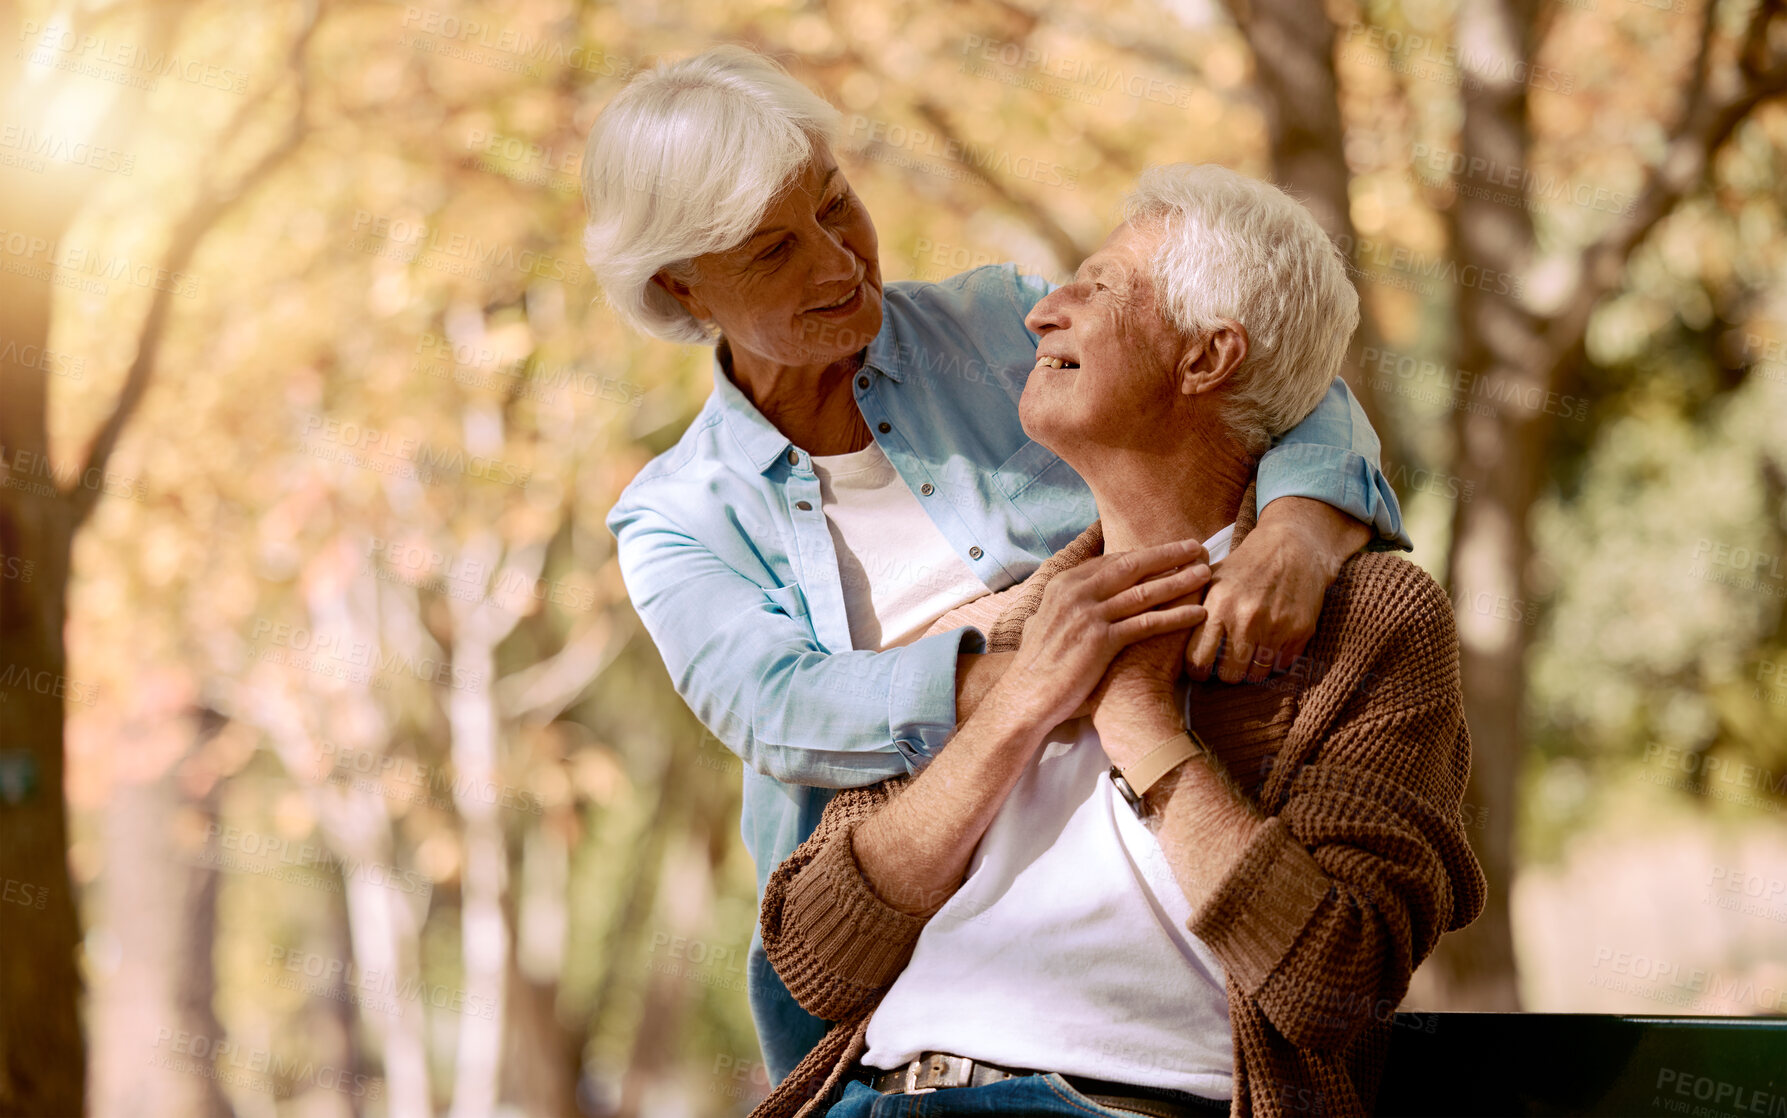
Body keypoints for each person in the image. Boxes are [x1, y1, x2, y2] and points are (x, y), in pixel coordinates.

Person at [585, 45, 1410, 1080]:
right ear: (682, 285)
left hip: (1147, 968)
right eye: (770, 252)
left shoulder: (994, 324)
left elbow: (1264, 363)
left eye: (837, 205)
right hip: (886, 987)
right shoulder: (674, 517)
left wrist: (1299, 520)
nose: (837, 263)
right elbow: (780, 708)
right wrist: (1024, 668)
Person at [751, 164, 1486, 1118]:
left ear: (1205, 358)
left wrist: (1141, 723)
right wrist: (1014, 708)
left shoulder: (1369, 618)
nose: (1042, 312)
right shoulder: (1012, 622)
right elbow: (813, 956)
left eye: (1098, 288)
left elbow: (1336, 986)